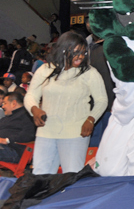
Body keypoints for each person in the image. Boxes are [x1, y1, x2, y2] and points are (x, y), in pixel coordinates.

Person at [24, 31, 107, 174]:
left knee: (71, 175)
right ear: (63, 49)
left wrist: (91, 119)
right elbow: (30, 94)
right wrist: (34, 109)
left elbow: (102, 100)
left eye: (83, 52)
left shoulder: (90, 73)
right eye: (76, 52)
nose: (80, 56)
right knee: (40, 175)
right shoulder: (45, 70)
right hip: (46, 131)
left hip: (76, 133)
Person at [0, 92, 36, 163]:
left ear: (13, 103)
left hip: (15, 151)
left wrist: (7, 140)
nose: (2, 106)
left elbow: (29, 134)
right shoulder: (6, 118)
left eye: (5, 103)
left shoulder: (27, 116)